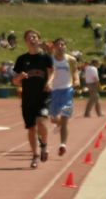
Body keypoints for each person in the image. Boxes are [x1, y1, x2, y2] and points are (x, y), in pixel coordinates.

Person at [12, 29, 54, 168]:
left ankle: (45, 144)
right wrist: (20, 77)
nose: (32, 39)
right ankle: (35, 155)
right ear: (25, 41)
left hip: (43, 96)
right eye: (29, 37)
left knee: (41, 122)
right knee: (31, 128)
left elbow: (52, 72)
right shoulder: (21, 60)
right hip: (27, 98)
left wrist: (49, 82)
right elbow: (15, 81)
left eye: (34, 36)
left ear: (39, 39)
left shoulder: (46, 58)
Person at [49, 38, 80, 156]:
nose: (61, 46)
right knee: (53, 118)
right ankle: (59, 124)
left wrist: (76, 80)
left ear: (65, 47)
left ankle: (63, 144)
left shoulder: (71, 60)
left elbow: (75, 72)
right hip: (54, 92)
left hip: (67, 91)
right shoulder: (50, 60)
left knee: (65, 118)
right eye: (58, 45)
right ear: (54, 47)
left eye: (63, 44)